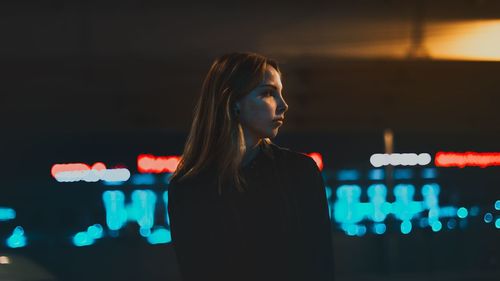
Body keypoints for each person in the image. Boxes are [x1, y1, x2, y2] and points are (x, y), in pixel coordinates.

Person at [167, 52, 335, 281]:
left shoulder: (300, 172)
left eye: (280, 93)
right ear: (233, 102)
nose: (283, 105)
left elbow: (321, 265)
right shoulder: (188, 186)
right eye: (268, 93)